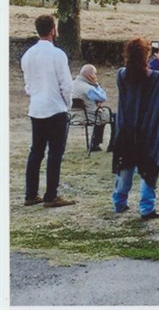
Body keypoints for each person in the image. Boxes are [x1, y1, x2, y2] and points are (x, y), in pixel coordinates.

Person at [112, 37, 159, 219]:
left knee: (125, 168)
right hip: (147, 131)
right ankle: (146, 207)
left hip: (127, 129)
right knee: (147, 169)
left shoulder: (122, 75)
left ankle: (119, 202)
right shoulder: (155, 79)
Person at [21, 14, 76, 208]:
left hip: (36, 107)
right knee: (55, 153)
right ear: (53, 30)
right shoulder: (57, 54)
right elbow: (66, 85)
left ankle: (30, 193)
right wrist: (67, 105)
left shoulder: (28, 55)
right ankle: (51, 194)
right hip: (55, 108)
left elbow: (28, 85)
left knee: (36, 152)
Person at [71, 64, 115, 153]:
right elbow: (103, 97)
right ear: (89, 75)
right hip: (89, 116)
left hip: (73, 115)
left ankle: (96, 143)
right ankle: (113, 145)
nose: (95, 76)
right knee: (115, 117)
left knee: (101, 114)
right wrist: (96, 85)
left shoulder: (72, 84)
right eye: (94, 74)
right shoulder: (88, 88)